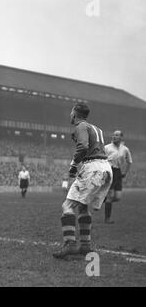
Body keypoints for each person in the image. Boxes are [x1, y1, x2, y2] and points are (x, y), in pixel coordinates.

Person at [53, 103, 112, 259]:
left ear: (74, 113)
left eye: (71, 112)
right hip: (105, 168)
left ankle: (70, 244)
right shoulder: (97, 129)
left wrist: (73, 166)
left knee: (67, 205)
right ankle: (85, 246)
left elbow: (83, 147)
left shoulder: (81, 126)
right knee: (84, 207)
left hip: (92, 168)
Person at [103, 130, 133, 224]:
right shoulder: (106, 147)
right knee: (110, 195)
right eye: (114, 135)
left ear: (121, 138)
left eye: (117, 135)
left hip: (118, 171)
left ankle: (102, 199)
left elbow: (129, 161)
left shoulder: (125, 149)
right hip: (109, 170)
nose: (114, 136)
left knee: (118, 197)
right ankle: (107, 219)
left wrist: (124, 172)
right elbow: (100, 160)